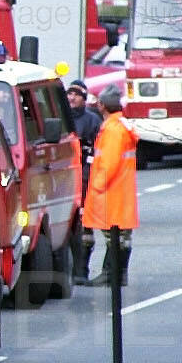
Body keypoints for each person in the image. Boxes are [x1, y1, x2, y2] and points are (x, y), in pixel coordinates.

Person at [84, 86, 139, 287]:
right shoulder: (121, 127)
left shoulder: (113, 130)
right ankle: (119, 274)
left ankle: (111, 273)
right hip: (121, 190)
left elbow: (109, 163)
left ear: (102, 105)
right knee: (123, 236)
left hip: (111, 191)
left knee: (113, 235)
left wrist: (97, 186)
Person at [66, 81, 103, 283]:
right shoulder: (61, 119)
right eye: (69, 94)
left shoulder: (92, 121)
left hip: (85, 178)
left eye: (76, 95)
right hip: (65, 177)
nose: (71, 98)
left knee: (84, 226)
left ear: (84, 98)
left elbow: (99, 151)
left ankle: (81, 270)